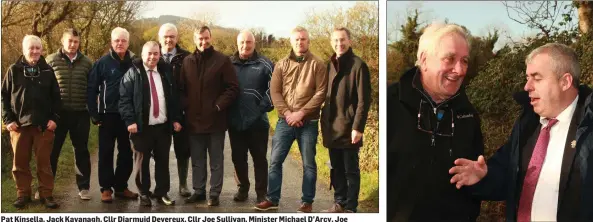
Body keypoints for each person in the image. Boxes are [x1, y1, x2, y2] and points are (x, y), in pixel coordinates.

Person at [449, 43, 593, 222]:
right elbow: (507, 177)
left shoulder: (588, 130)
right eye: (527, 77)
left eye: (537, 78)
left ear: (565, 82)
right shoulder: (527, 124)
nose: (527, 86)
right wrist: (484, 176)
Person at [386, 22, 484, 221]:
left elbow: (472, 179)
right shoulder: (391, 103)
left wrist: (481, 178)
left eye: (464, 61)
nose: (460, 69)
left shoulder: (468, 115)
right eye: (449, 59)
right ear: (424, 60)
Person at [255, 26, 328, 213]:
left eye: (303, 39)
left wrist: (301, 113)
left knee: (309, 164)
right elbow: (275, 91)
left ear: (308, 41)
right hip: (284, 122)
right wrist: (288, 113)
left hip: (308, 122)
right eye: (296, 39)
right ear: (291, 41)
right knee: (275, 161)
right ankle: (272, 199)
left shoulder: (318, 64)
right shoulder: (282, 64)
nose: (300, 42)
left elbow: (321, 93)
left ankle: (307, 202)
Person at [179, 26, 239, 206]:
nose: (203, 42)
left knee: (216, 161)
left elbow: (233, 87)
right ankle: (199, 191)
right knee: (197, 160)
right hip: (194, 122)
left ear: (210, 38)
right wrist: (186, 106)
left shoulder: (222, 60)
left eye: (206, 38)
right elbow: (181, 89)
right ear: (194, 39)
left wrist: (219, 105)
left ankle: (214, 194)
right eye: (199, 38)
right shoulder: (187, 61)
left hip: (215, 121)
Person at [119, 41, 182, 207]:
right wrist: (130, 120)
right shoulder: (133, 73)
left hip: (162, 127)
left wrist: (176, 118)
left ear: (159, 54)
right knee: (142, 163)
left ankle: (162, 192)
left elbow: (173, 98)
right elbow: (124, 100)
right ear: (142, 54)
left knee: (163, 161)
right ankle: (144, 193)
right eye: (149, 53)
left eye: (156, 53)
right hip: (141, 127)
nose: (153, 57)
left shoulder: (166, 72)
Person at [1, 35, 61, 209]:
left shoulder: (48, 71)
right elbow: (4, 97)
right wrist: (8, 119)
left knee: (44, 163)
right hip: (19, 126)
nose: (34, 51)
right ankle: (23, 194)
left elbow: (57, 99)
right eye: (31, 48)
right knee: (19, 164)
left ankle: (46, 194)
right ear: (24, 50)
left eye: (37, 48)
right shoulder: (13, 70)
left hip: (43, 126)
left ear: (42, 50)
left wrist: (54, 119)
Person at [320, 27, 371, 213]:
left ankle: (351, 208)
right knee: (336, 168)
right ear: (331, 42)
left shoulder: (358, 65)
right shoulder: (330, 64)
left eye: (342, 40)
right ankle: (339, 203)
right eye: (335, 40)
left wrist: (358, 127)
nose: (339, 44)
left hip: (349, 127)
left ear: (349, 41)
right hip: (331, 127)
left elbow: (364, 100)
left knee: (351, 170)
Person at [87, 27, 138, 203]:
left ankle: (121, 186)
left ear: (128, 43)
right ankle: (106, 188)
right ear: (111, 42)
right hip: (107, 116)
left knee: (126, 153)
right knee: (106, 153)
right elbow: (92, 89)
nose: (120, 43)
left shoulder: (135, 62)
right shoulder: (102, 63)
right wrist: (94, 114)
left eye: (123, 40)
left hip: (128, 116)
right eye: (117, 40)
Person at [46, 28, 93, 200]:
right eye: (70, 41)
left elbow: (93, 88)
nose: (73, 45)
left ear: (79, 43)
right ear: (63, 41)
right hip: (58, 116)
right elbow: (44, 89)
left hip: (81, 114)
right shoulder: (50, 61)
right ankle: (46, 188)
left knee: (81, 151)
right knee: (52, 152)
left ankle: (84, 187)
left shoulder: (87, 63)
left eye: (76, 41)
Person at [228, 30, 274, 203]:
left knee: (259, 159)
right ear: (237, 43)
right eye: (242, 42)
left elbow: (274, 89)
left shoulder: (265, 64)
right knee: (238, 158)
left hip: (258, 122)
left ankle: (261, 192)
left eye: (249, 42)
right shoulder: (228, 63)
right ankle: (243, 189)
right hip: (235, 121)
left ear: (254, 43)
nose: (245, 46)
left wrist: (259, 109)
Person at [157, 23, 192, 197]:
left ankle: (183, 184)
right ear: (159, 38)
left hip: (181, 110)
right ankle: (161, 187)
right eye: (165, 36)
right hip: (159, 112)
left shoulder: (187, 57)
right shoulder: (153, 56)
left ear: (177, 38)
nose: (168, 39)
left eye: (172, 36)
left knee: (183, 150)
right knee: (160, 151)